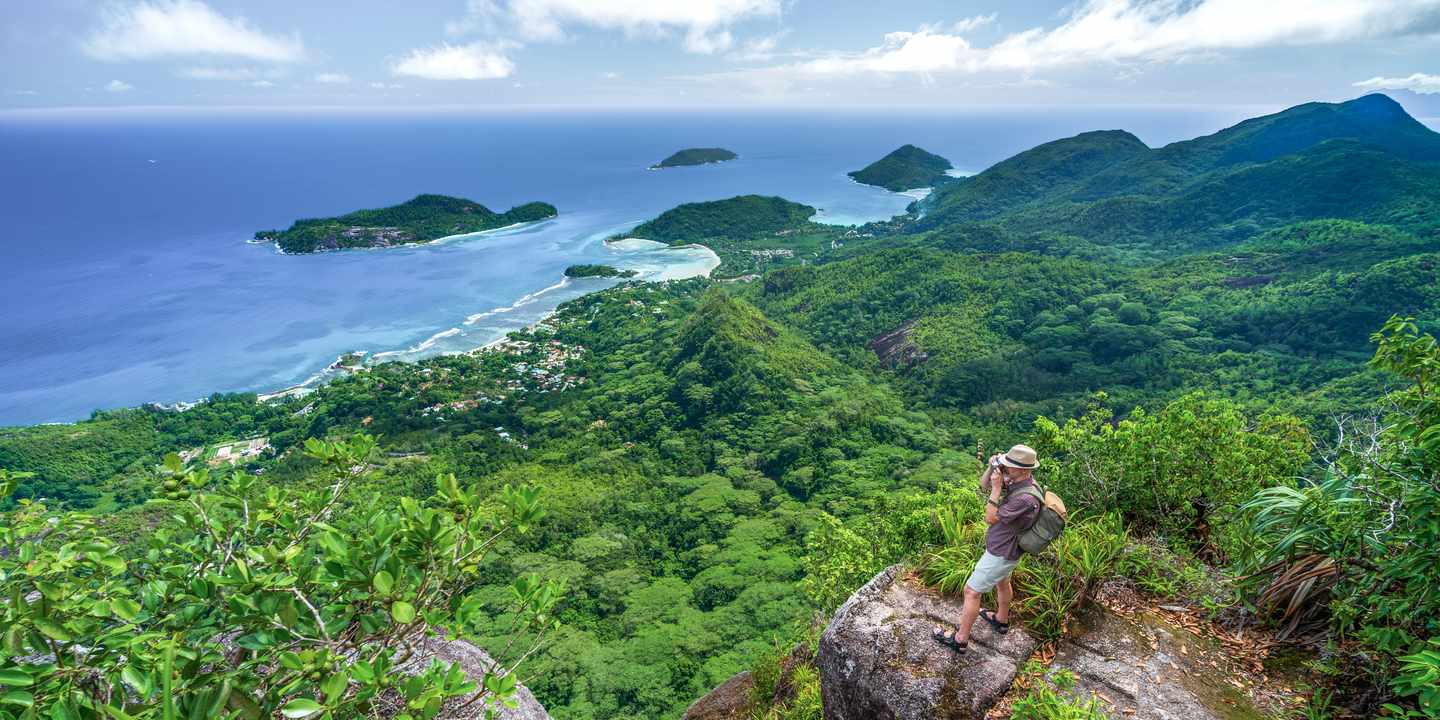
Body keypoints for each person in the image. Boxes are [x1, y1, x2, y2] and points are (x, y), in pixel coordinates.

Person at [933, 444, 1042, 655]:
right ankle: (1001, 620)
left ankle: (960, 639)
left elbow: (990, 518)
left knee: (972, 592)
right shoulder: (1019, 481)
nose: (1006, 468)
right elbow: (982, 486)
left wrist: (997, 488)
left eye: (1010, 466)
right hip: (1007, 550)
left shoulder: (1025, 498)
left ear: (1025, 470)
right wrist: (991, 468)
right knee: (1003, 581)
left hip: (1002, 552)